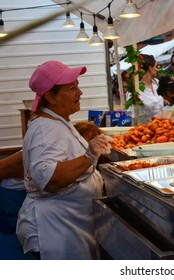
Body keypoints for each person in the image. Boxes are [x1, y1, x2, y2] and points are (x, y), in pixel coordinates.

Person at [16, 60, 112, 260]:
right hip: (54, 230)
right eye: (71, 88)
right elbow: (49, 179)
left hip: (67, 225)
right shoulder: (45, 130)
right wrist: (88, 156)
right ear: (50, 96)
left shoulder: (58, 122)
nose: (80, 92)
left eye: (77, 86)